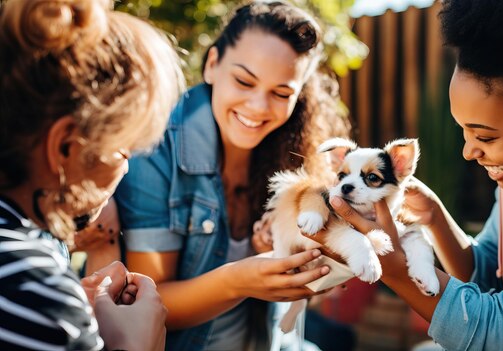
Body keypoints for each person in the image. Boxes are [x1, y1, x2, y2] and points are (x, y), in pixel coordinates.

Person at [315, 0, 503, 350]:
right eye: (464, 131)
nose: (468, 151)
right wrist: (433, 215)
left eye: (485, 136)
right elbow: (487, 271)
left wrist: (393, 266)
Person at [113, 1, 350, 349]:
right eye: (243, 81)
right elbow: (148, 301)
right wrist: (239, 281)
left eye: (281, 93)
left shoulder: (298, 154)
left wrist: (314, 267)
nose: (257, 106)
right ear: (212, 65)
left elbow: (303, 296)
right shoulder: (153, 149)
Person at [0, 0, 185, 349]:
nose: (126, 167)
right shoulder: (32, 288)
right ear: (65, 146)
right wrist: (135, 344)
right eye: (123, 150)